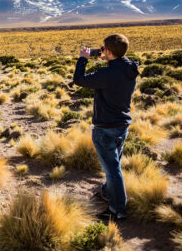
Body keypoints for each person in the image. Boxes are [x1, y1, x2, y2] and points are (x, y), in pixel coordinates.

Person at [73, 33, 139, 222]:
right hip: (122, 125)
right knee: (114, 165)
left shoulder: (106, 74)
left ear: (108, 51)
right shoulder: (130, 68)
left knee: (113, 171)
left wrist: (83, 59)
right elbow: (117, 68)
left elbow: (79, 80)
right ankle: (106, 191)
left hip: (105, 129)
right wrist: (110, 58)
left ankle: (118, 210)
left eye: (104, 49)